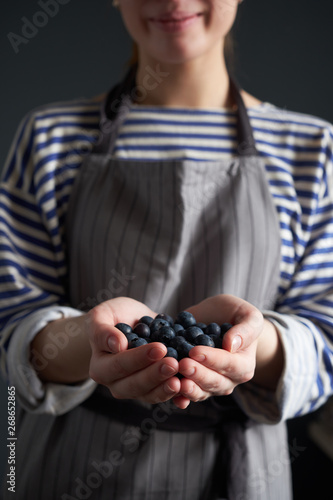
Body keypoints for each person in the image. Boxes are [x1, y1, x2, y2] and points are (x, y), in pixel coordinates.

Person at [0, 0, 332, 498]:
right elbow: (13, 328)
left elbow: (326, 345)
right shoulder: (49, 138)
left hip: (242, 473)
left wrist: (248, 346)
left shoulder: (313, 148)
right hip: (68, 467)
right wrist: (92, 343)